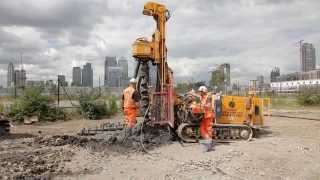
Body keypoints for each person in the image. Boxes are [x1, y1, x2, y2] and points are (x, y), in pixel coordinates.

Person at [198, 85, 215, 152]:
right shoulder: (202, 97)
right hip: (205, 115)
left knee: (208, 129)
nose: (199, 93)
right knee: (202, 129)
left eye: (200, 92)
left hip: (208, 115)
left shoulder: (208, 97)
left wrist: (202, 105)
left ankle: (208, 145)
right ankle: (208, 143)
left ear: (203, 91)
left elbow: (209, 105)